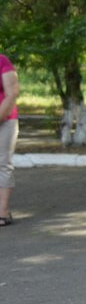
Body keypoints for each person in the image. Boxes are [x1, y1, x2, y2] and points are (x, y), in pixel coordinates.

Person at [0, 53, 18, 226]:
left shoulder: (2, 61)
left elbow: (12, 94)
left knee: (3, 164)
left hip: (5, 120)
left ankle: (2, 212)